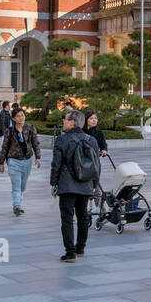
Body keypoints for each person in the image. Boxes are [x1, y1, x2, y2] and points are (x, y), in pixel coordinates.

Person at [50, 109, 102, 262]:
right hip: (85, 182)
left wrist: (54, 183)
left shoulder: (62, 140)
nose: (64, 122)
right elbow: (96, 165)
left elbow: (56, 164)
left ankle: (70, 253)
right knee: (83, 216)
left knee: (67, 218)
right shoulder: (91, 140)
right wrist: (95, 183)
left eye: (65, 120)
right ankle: (80, 248)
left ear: (72, 122)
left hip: (67, 183)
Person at [0, 106, 40, 216]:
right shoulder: (9, 131)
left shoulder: (30, 128)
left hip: (27, 161)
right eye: (18, 116)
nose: (21, 118)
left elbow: (35, 144)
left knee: (22, 186)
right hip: (13, 161)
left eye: (22, 115)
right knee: (16, 184)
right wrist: (1, 163)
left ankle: (18, 203)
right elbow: (4, 147)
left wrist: (38, 157)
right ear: (13, 118)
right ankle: (16, 205)